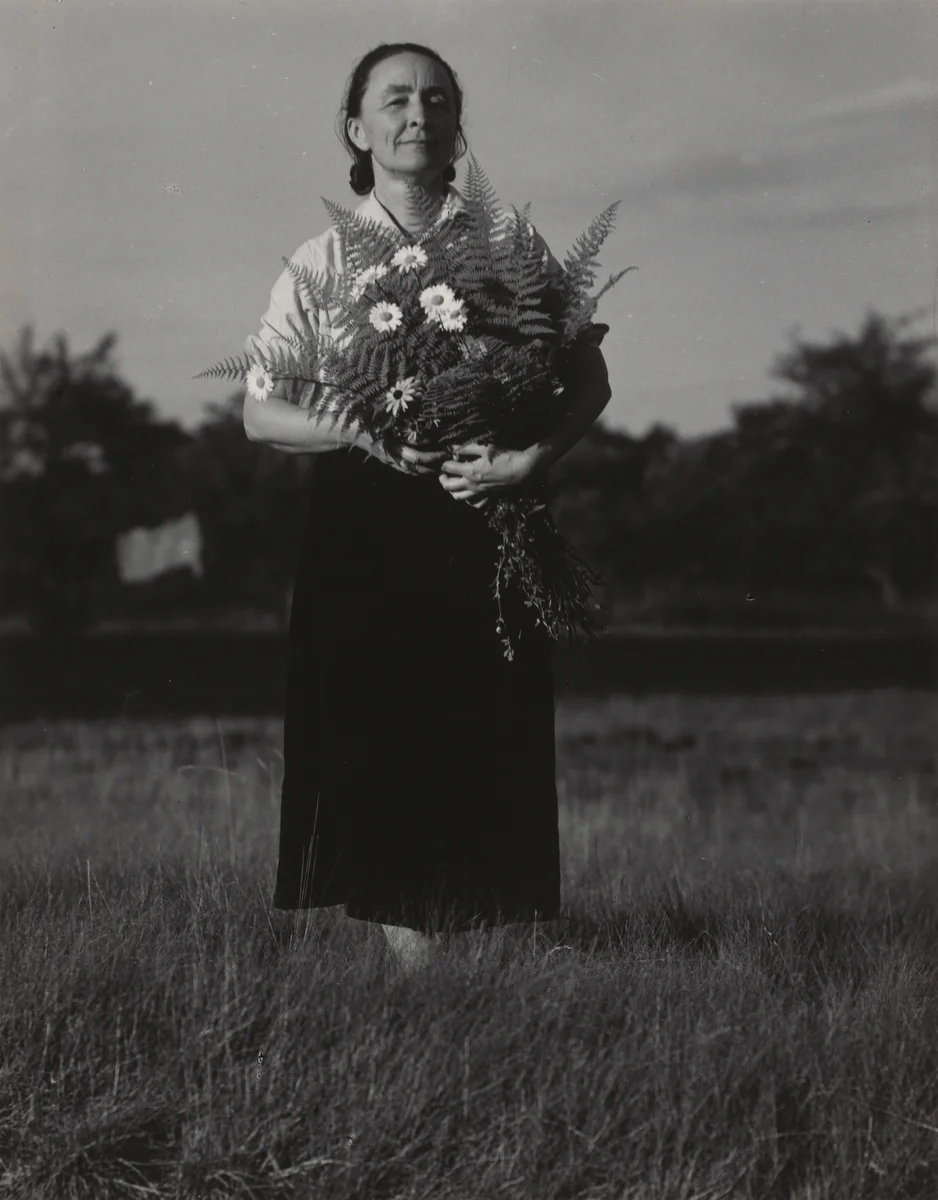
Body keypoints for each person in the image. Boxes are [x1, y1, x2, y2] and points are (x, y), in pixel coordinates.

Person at [243, 42, 612, 973]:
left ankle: (492, 967)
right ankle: (419, 980)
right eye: (397, 99)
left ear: (456, 122)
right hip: (365, 530)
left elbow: (589, 380)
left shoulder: (507, 245)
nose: (420, 115)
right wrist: (367, 434)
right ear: (357, 129)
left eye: (439, 99)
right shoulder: (323, 258)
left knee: (490, 730)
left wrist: (529, 458)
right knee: (379, 735)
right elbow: (260, 411)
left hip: (488, 515)